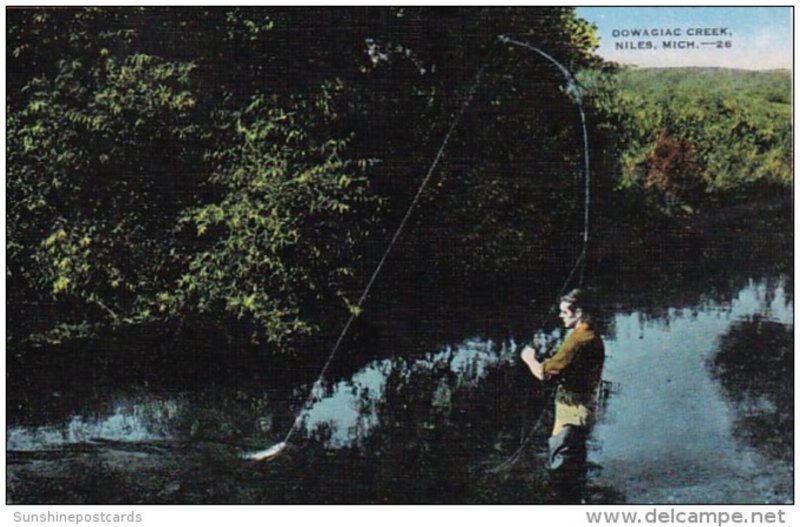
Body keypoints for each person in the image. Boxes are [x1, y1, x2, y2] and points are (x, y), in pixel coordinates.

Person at [520, 288, 605, 503]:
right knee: (574, 460)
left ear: (579, 312)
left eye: (565, 312)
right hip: (580, 406)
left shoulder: (578, 339)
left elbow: (543, 373)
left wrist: (529, 357)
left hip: (572, 410)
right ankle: (576, 499)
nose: (560, 316)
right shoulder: (589, 333)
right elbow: (566, 363)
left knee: (562, 464)